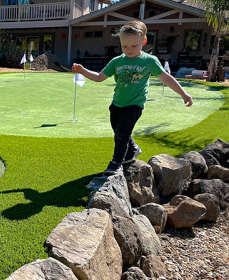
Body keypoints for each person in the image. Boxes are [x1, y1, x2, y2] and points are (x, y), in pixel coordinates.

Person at [72, 20, 193, 176]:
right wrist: (82, 71)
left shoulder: (149, 61)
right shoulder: (117, 61)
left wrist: (183, 93)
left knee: (122, 134)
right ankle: (133, 149)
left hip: (135, 105)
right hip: (116, 104)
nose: (129, 50)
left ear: (143, 41)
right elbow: (99, 77)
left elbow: (166, 78)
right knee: (119, 133)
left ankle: (116, 163)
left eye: (133, 46)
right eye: (125, 46)